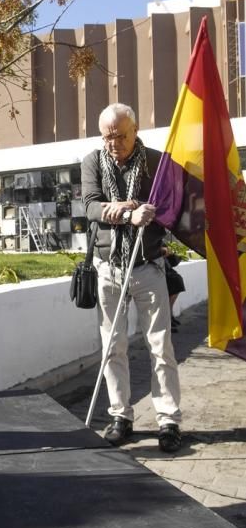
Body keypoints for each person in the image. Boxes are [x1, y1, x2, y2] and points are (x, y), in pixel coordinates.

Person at [81, 103, 182, 453]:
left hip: (148, 264)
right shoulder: (93, 162)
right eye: (107, 137)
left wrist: (153, 212)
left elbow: (173, 206)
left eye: (120, 136)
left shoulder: (157, 161)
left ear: (135, 130)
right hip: (108, 267)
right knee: (113, 346)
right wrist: (127, 211)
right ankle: (120, 415)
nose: (113, 144)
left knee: (160, 346)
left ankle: (168, 419)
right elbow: (91, 205)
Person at [162, 245, 186, 331]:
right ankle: (168, 320)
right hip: (160, 273)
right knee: (170, 295)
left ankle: (170, 316)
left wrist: (168, 251)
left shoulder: (159, 240)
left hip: (167, 272)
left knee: (176, 284)